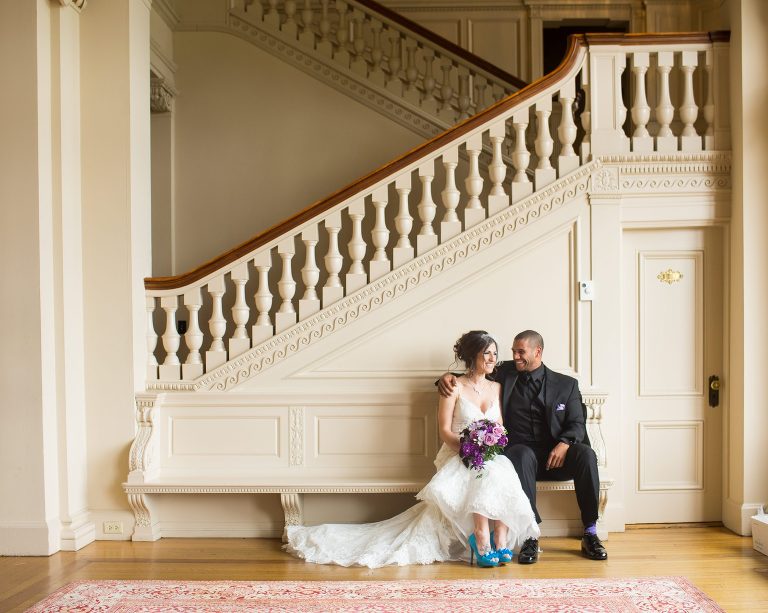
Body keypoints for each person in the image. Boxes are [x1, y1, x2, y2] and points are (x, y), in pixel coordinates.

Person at [284, 330, 539, 568]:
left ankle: (501, 538)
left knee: (502, 470)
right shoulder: (452, 386)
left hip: (488, 455)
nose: (494, 358)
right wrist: (469, 450)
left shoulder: (498, 386)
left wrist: (490, 445)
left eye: (495, 353)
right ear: (473, 356)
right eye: (487, 353)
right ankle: (482, 537)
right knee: (485, 473)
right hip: (459, 452)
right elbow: (445, 431)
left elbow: (500, 427)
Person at [438, 329, 607, 563]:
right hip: (520, 460)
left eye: (521, 352)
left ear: (537, 352)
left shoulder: (566, 385)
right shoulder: (506, 373)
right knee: (522, 453)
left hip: (556, 458)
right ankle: (530, 536)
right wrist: (446, 376)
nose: (515, 356)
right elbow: (471, 372)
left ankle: (590, 532)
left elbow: (577, 423)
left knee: (586, 454)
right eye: (513, 352)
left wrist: (565, 443)